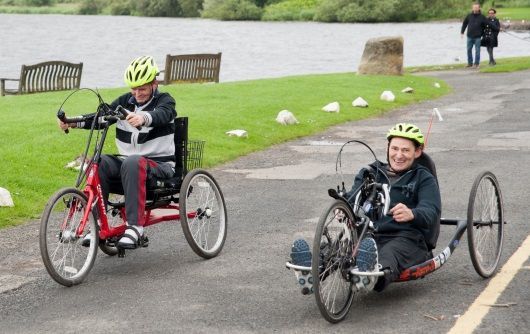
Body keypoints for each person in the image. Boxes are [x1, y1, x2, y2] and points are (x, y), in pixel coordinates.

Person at [291, 123, 441, 292]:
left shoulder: (423, 178)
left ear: (417, 152)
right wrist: (344, 208)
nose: (399, 155)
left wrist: (412, 213)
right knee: (339, 249)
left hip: (406, 238)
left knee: (389, 254)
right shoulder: (371, 172)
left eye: (405, 150)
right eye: (395, 148)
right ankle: (311, 272)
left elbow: (432, 211)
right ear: (388, 148)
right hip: (367, 235)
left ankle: (369, 278)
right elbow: (352, 196)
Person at [58, 55, 177, 249]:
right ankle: (97, 225)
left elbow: (163, 114)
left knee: (132, 161)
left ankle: (135, 227)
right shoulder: (125, 101)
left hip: (159, 167)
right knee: (100, 162)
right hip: (131, 168)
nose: (137, 93)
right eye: (134, 88)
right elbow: (99, 118)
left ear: (154, 83)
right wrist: (71, 121)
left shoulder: (165, 100)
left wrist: (143, 118)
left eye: (142, 88)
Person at [461, 2, 486, 69]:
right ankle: (470, 63)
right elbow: (464, 24)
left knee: (477, 51)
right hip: (469, 36)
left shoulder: (482, 17)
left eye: (476, 7)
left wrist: (483, 34)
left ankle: (476, 64)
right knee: (469, 50)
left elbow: (486, 26)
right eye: (474, 7)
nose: (475, 9)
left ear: (479, 8)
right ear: (472, 8)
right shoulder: (469, 16)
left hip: (478, 37)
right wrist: (462, 32)